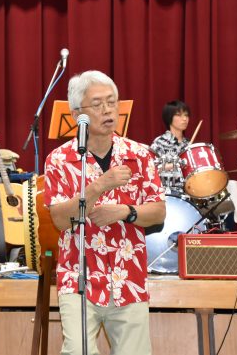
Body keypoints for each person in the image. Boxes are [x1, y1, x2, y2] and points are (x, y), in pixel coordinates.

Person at [44, 70, 166, 355]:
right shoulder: (59, 160)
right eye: (97, 104)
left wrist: (125, 211)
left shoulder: (140, 154)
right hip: (78, 277)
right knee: (77, 352)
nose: (108, 110)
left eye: (112, 102)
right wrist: (99, 185)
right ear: (77, 115)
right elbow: (59, 220)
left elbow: (159, 212)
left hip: (129, 276)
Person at [150, 100, 190, 193]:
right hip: (167, 194)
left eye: (186, 115)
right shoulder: (159, 142)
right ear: (169, 117)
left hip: (187, 194)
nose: (184, 119)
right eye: (179, 115)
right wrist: (175, 165)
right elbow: (150, 169)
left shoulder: (188, 144)